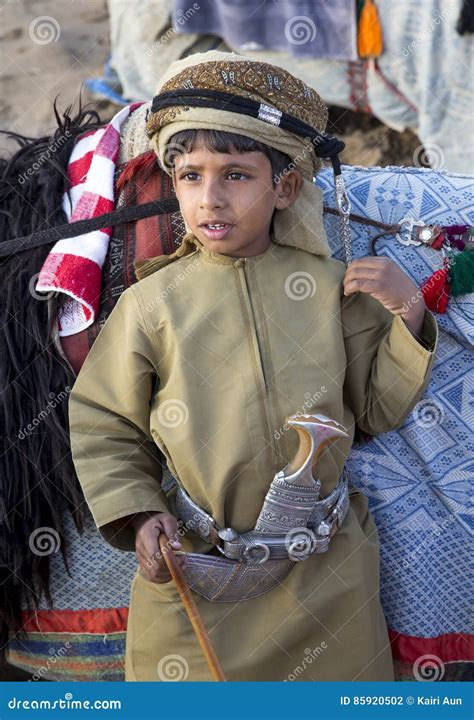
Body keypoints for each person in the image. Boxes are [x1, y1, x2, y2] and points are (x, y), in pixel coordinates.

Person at [68, 50, 438, 681]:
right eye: (189, 176)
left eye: (236, 175)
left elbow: (375, 411)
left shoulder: (331, 290)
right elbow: (104, 422)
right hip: (195, 567)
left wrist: (406, 315)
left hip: (326, 575)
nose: (209, 198)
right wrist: (139, 513)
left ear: (285, 186)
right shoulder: (149, 303)